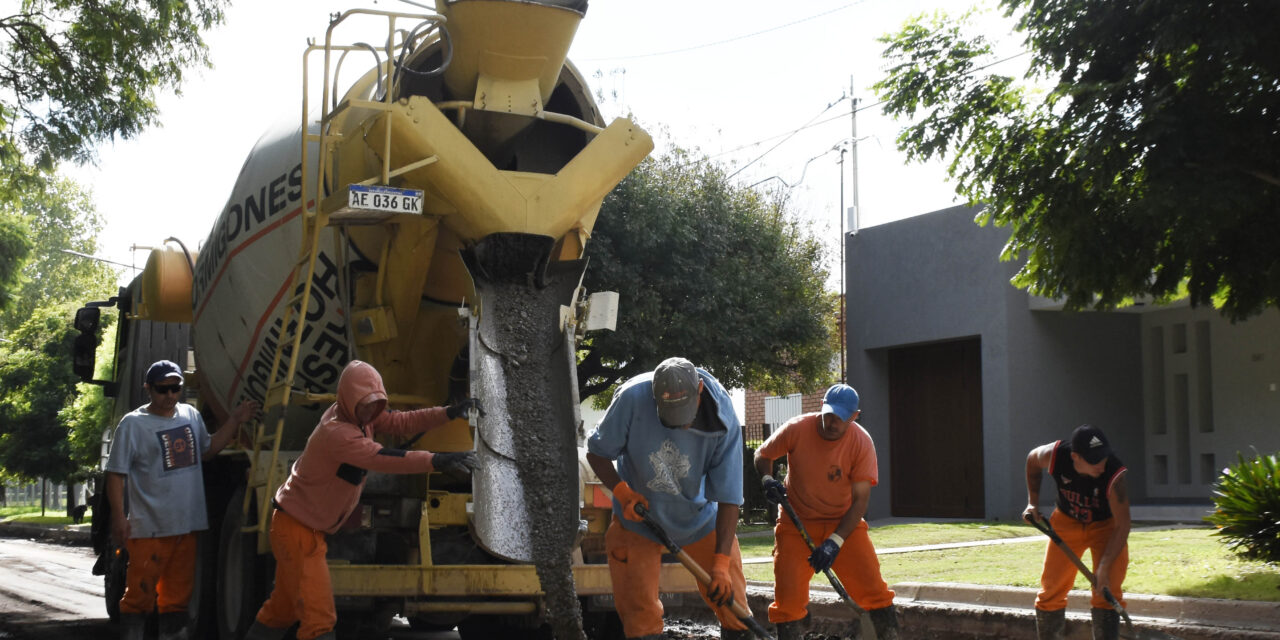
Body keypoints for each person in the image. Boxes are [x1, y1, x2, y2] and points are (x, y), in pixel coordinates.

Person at [244, 360, 479, 640]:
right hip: (297, 531)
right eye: (365, 404)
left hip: (300, 526)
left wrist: (449, 413)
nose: (372, 410)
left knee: (282, 610)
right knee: (320, 619)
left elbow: (403, 421)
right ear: (348, 399)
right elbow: (382, 458)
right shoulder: (337, 433)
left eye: (377, 403)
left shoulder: (359, 416)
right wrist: (437, 460)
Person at [585, 357, 751, 640]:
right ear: (654, 397)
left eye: (685, 415)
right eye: (670, 417)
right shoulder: (631, 398)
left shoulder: (723, 418)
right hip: (639, 521)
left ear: (699, 389)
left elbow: (729, 497)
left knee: (735, 608)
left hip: (700, 520)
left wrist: (721, 563)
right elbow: (597, 453)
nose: (679, 426)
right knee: (640, 618)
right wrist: (622, 492)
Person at [105, 360, 259, 640]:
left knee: (177, 602)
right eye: (163, 389)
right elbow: (116, 474)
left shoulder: (190, 415)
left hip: (186, 528)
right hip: (149, 529)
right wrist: (119, 517)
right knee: (139, 598)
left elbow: (208, 449)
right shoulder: (133, 425)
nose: (170, 395)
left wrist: (235, 419)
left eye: (176, 388)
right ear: (148, 389)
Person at [753, 383, 899, 640]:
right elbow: (762, 455)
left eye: (841, 418)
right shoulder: (797, 429)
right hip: (795, 523)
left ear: (854, 416)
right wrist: (767, 479)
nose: (832, 423)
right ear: (821, 407)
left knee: (875, 592)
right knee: (787, 602)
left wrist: (835, 542)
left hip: (843, 523)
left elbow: (860, 503)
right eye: (829, 414)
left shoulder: (861, 443)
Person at [1024, 424, 1130, 640]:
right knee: (1051, 592)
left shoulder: (1114, 473)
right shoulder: (1055, 454)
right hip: (1066, 523)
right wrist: (1032, 503)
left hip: (1106, 527)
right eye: (1093, 460)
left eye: (1103, 457)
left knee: (1107, 591)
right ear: (1075, 457)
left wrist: (1104, 567)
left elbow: (1123, 524)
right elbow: (1032, 460)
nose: (1101, 465)